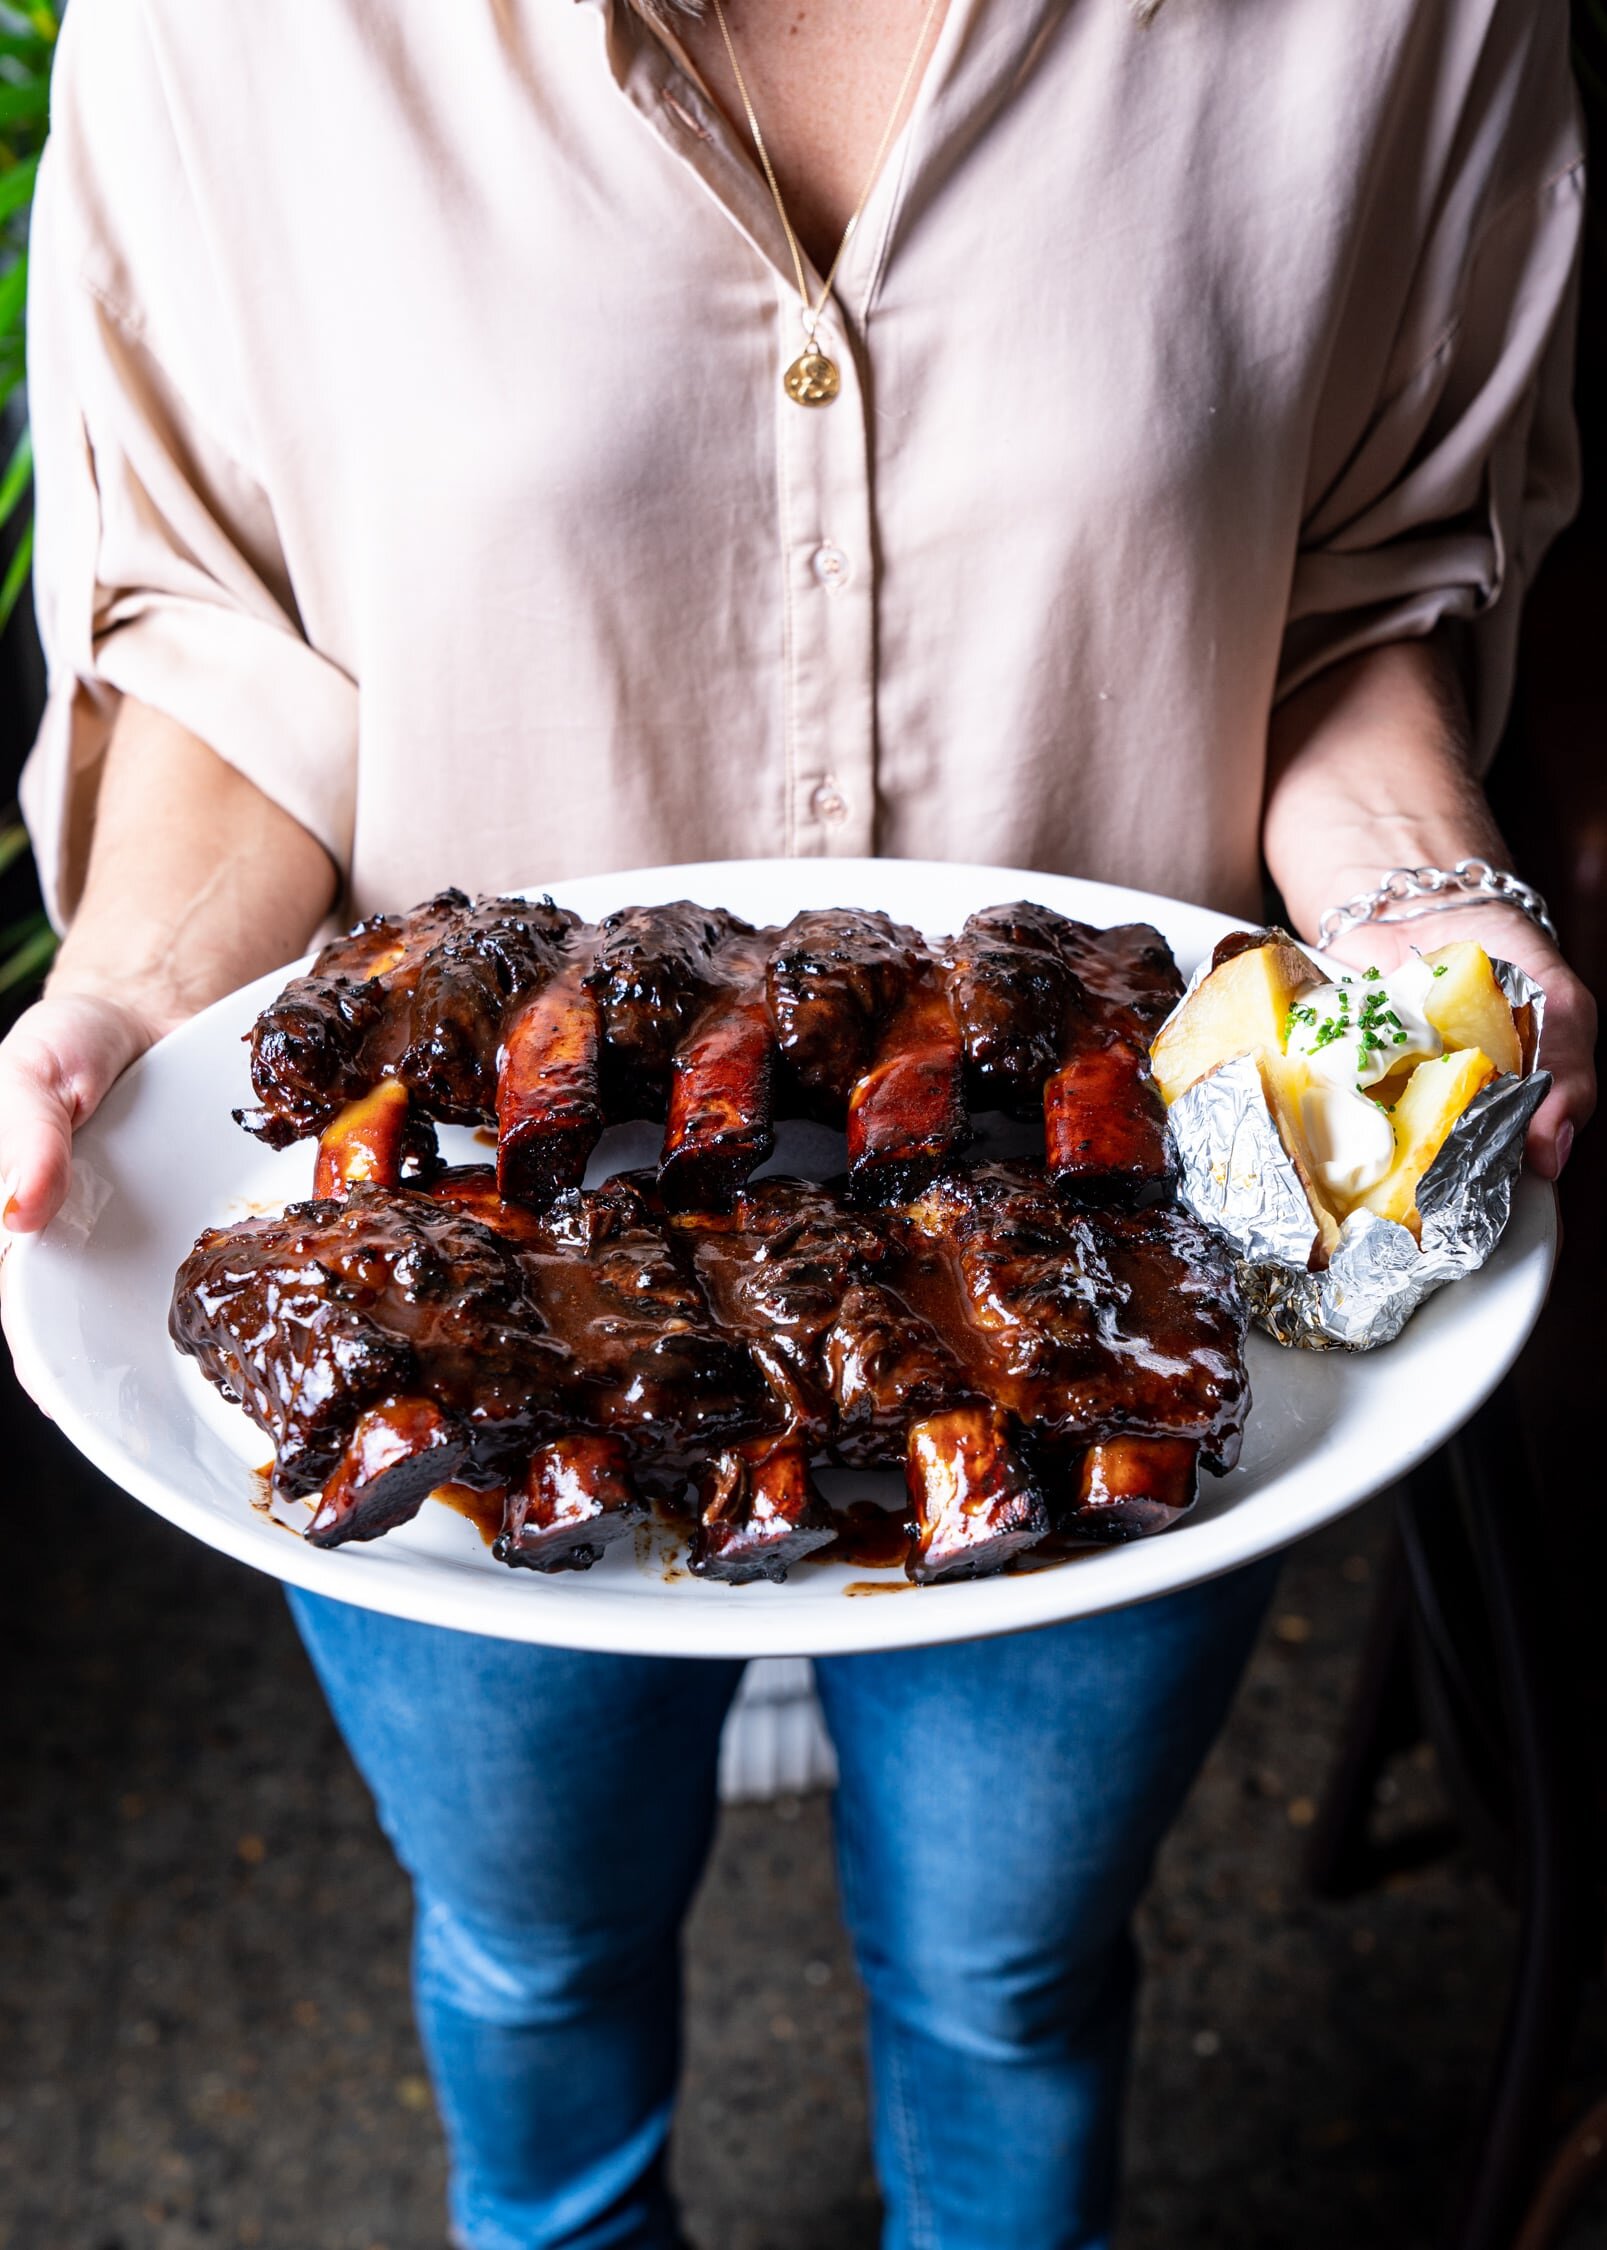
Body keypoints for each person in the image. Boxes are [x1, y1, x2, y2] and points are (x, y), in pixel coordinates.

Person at [0, 2, 1596, 2244]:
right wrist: (134, 1004)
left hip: (1105, 1258)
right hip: (442, 1273)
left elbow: (1359, 591)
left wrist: (1440, 924)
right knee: (531, 1953)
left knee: (1012, 1983)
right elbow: (224, 650)